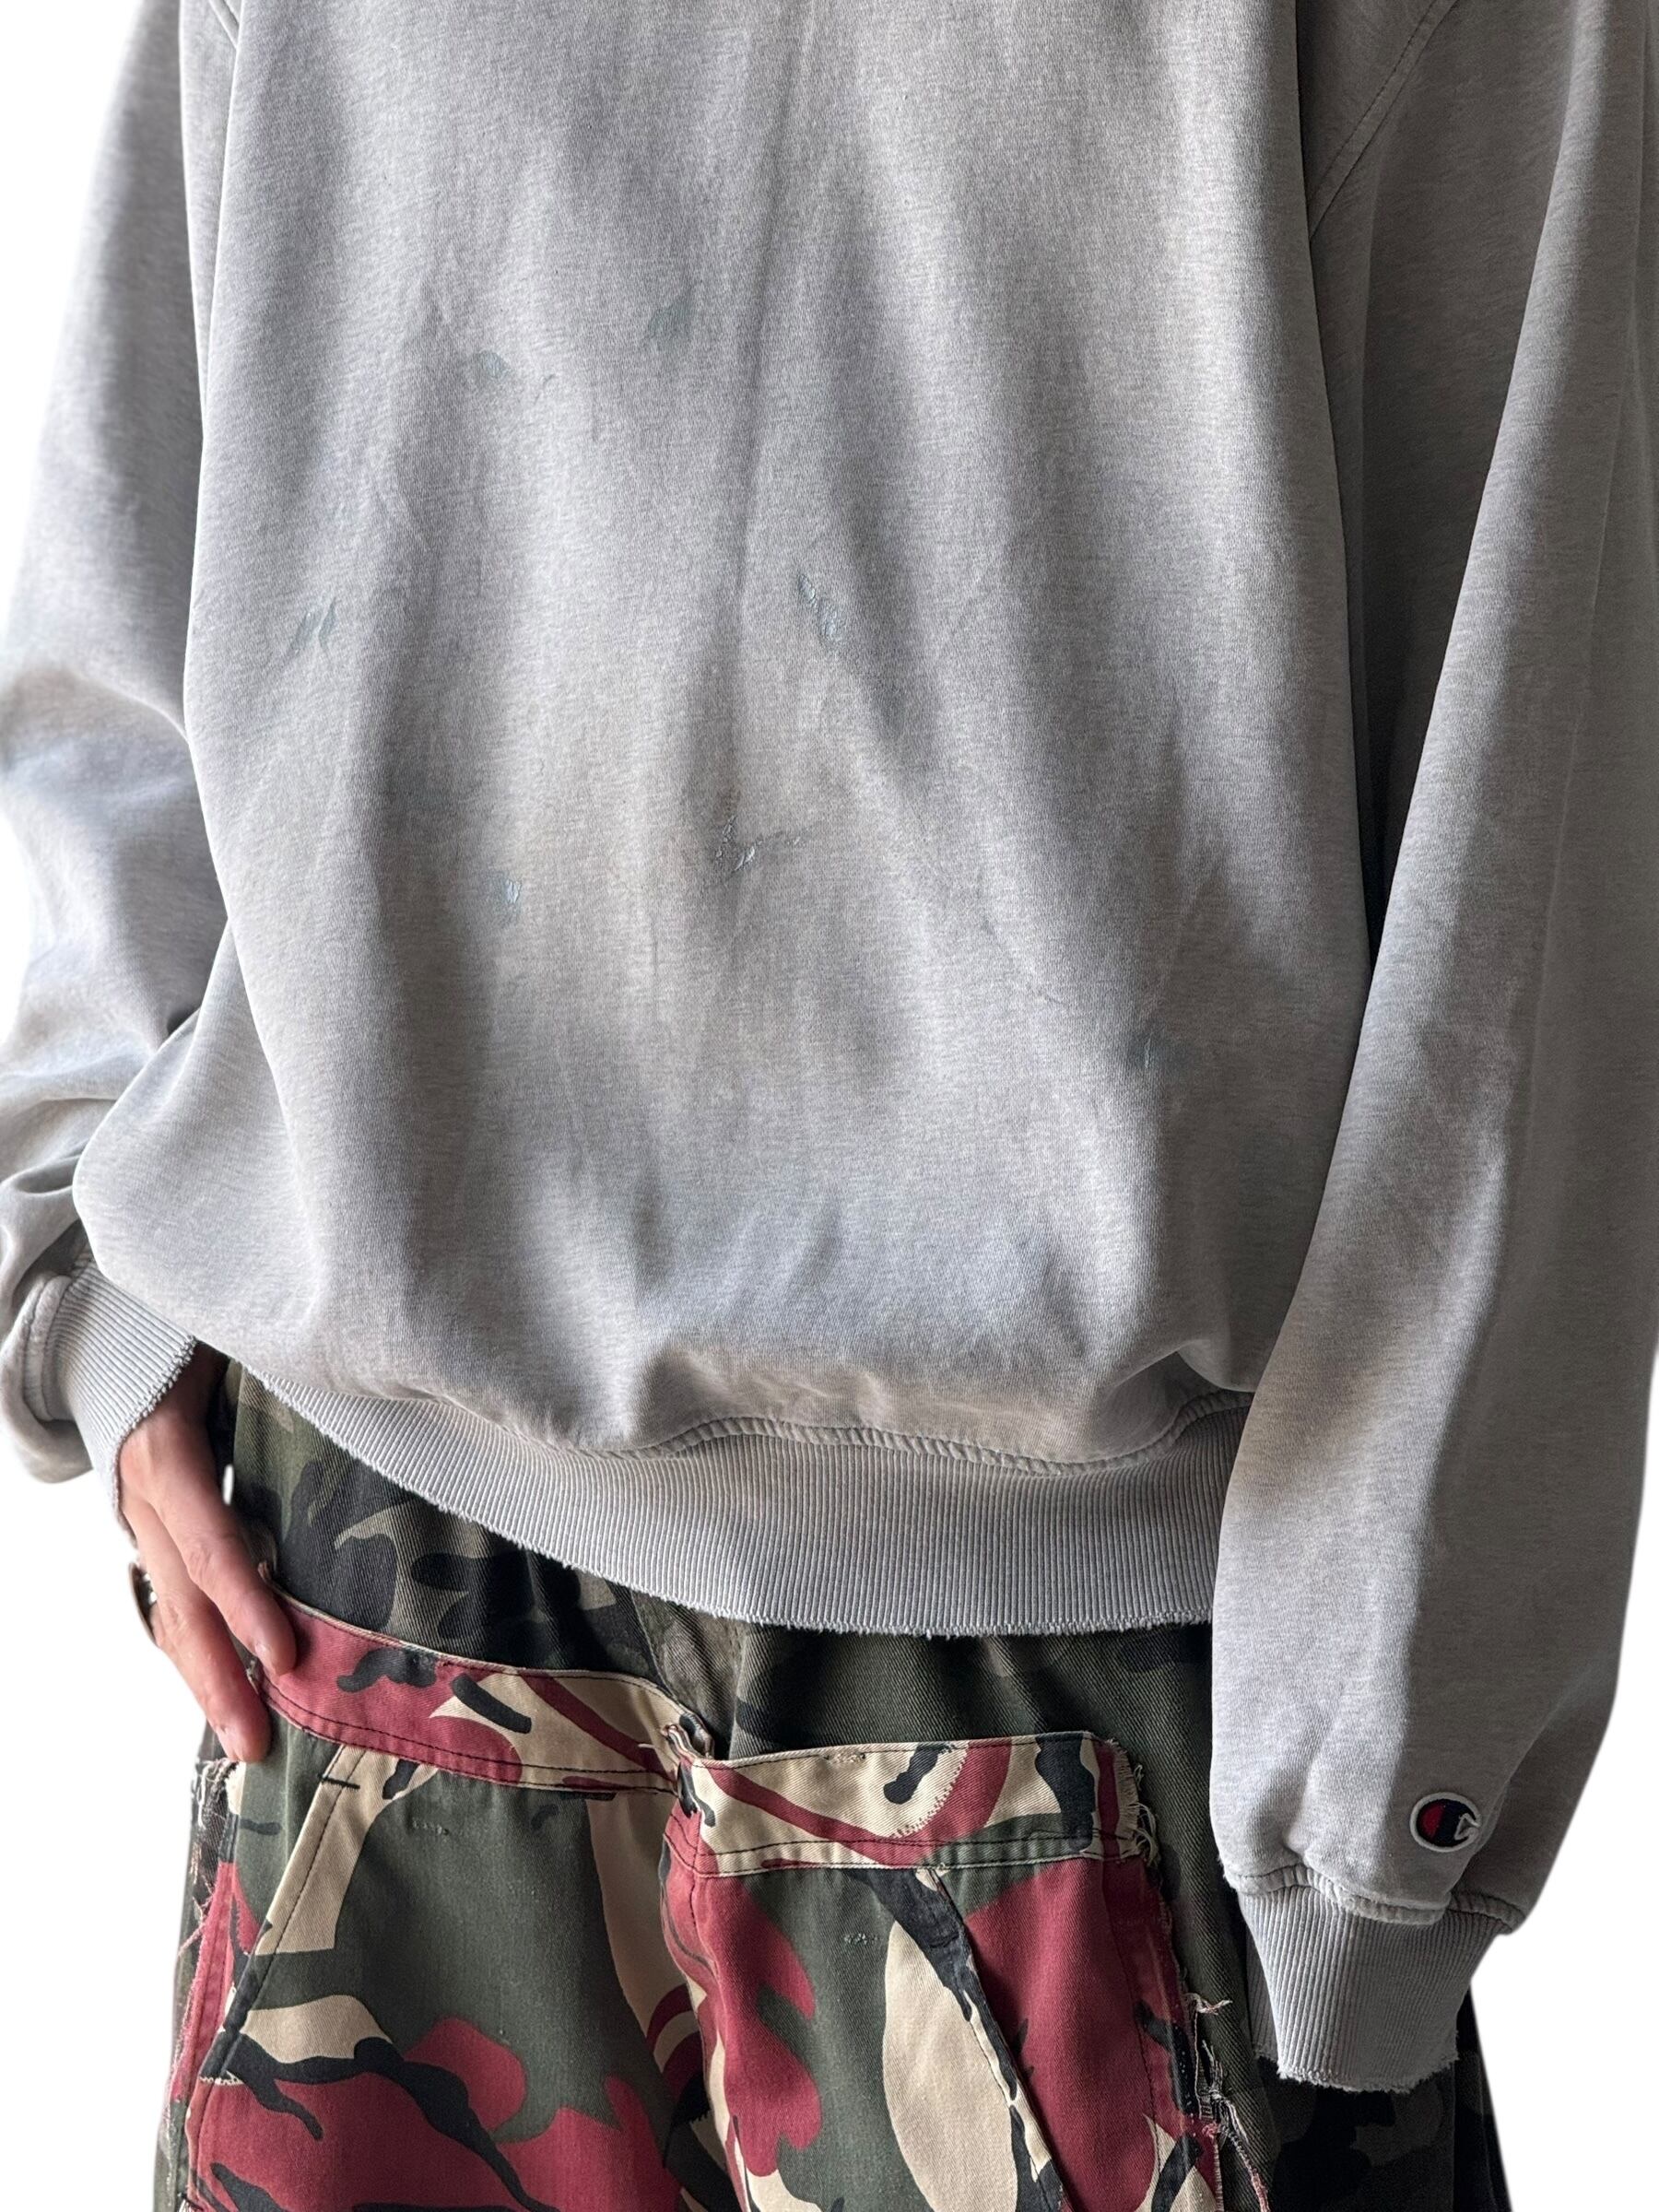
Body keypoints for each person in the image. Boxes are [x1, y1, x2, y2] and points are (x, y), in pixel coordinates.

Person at [2, 1, 1654, 2206]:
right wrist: (94, 1270)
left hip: (1088, 1673)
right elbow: (151, 454)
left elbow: (1533, 782)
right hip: (363, 1577)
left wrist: (1395, 1777)